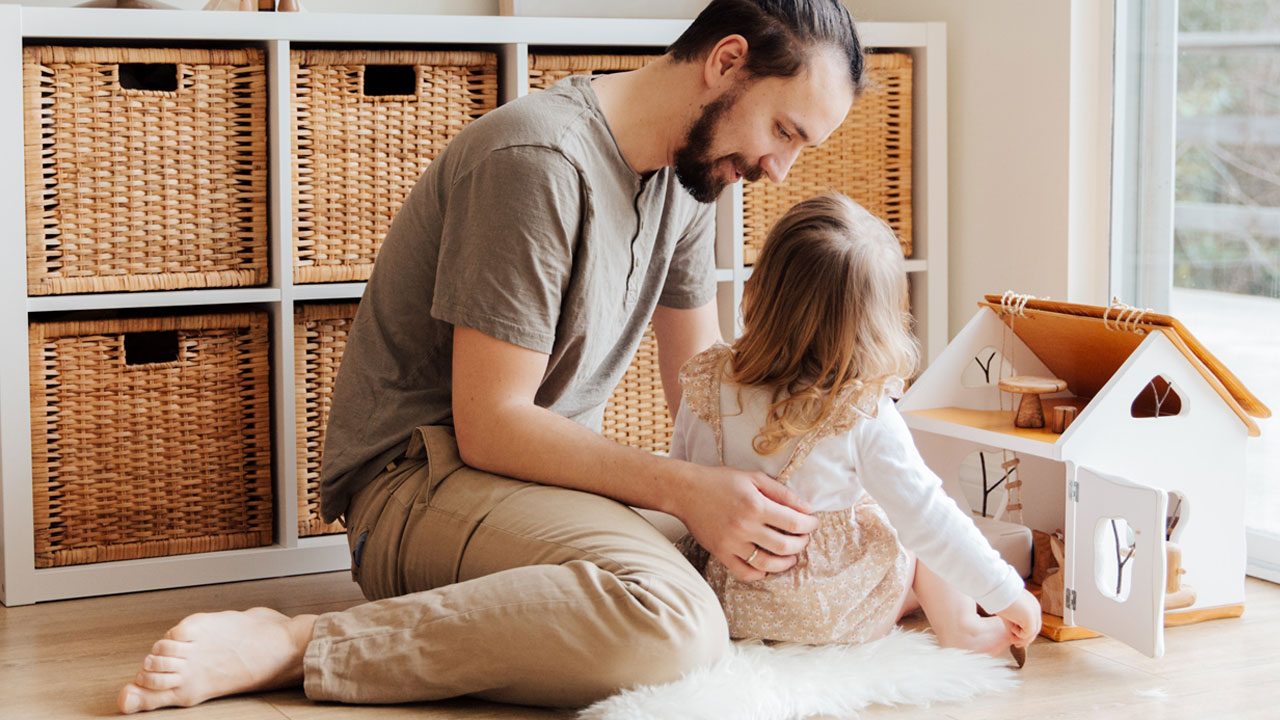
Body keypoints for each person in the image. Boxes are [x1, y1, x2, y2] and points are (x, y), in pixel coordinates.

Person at [117, 0, 867, 714]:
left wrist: (807, 482)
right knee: (676, 622)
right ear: (727, 62)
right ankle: (296, 643)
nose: (781, 169)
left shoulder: (689, 177)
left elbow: (703, 394)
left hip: (539, 487)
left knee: (770, 564)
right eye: (785, 131)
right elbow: (491, 424)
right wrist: (688, 491)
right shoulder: (538, 161)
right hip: (418, 482)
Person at [669, 193, 1042, 657]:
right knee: (912, 521)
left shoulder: (707, 380)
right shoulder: (861, 411)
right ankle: (962, 626)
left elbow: (681, 477)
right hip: (825, 612)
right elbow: (930, 519)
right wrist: (1009, 593)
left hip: (725, 597)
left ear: (759, 288)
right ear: (878, 325)